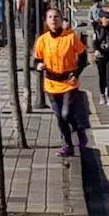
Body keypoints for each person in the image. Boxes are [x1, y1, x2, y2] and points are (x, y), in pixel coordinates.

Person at [34, 8, 88, 158]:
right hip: (51, 83)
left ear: (61, 19)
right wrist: (39, 66)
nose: (53, 20)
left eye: (56, 17)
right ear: (46, 20)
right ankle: (68, 145)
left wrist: (76, 74)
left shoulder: (70, 37)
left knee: (66, 113)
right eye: (50, 17)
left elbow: (83, 57)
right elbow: (36, 60)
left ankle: (79, 129)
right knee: (59, 116)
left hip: (68, 81)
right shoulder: (43, 40)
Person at [92, 13, 109, 104]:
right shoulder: (97, 30)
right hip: (100, 56)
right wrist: (96, 50)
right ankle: (102, 94)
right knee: (102, 76)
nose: (107, 20)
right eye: (105, 18)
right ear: (101, 19)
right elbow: (95, 42)